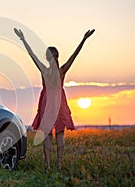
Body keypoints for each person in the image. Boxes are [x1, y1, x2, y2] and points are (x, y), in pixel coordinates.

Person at [14, 28, 95, 171]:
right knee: (60, 134)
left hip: (47, 103)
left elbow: (31, 54)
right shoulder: (62, 70)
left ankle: (47, 165)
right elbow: (74, 56)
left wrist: (23, 39)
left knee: (47, 135)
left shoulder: (44, 70)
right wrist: (84, 39)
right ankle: (59, 165)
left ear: (47, 57)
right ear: (57, 56)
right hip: (59, 103)